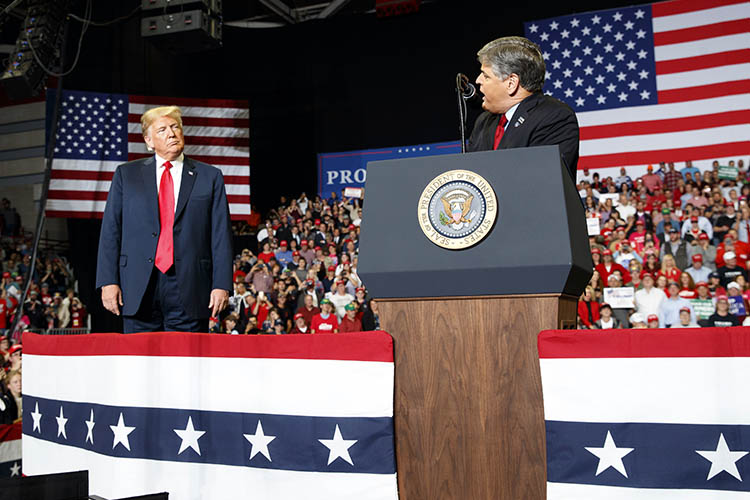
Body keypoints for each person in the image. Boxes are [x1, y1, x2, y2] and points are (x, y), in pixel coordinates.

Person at [96, 106, 233, 333]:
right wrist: (108, 281)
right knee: (140, 363)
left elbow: (221, 235)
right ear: (149, 141)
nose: (171, 133)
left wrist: (221, 284)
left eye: (175, 127)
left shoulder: (210, 176)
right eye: (162, 130)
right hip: (139, 285)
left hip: (190, 285)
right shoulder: (126, 175)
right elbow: (111, 230)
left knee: (185, 363)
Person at [467, 36, 579, 181]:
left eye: (486, 76)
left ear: (511, 83)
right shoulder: (483, 122)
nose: (478, 81)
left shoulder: (555, 117)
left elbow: (542, 181)